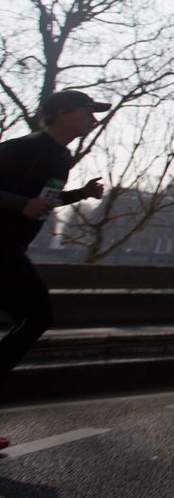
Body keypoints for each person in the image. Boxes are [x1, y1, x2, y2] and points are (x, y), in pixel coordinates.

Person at [0, 90, 109, 451]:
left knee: (35, 317)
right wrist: (20, 204)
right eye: (87, 112)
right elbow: (28, 203)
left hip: (11, 249)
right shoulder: (24, 147)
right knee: (36, 315)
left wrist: (81, 193)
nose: (93, 120)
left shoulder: (62, 157)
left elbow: (46, 200)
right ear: (62, 113)